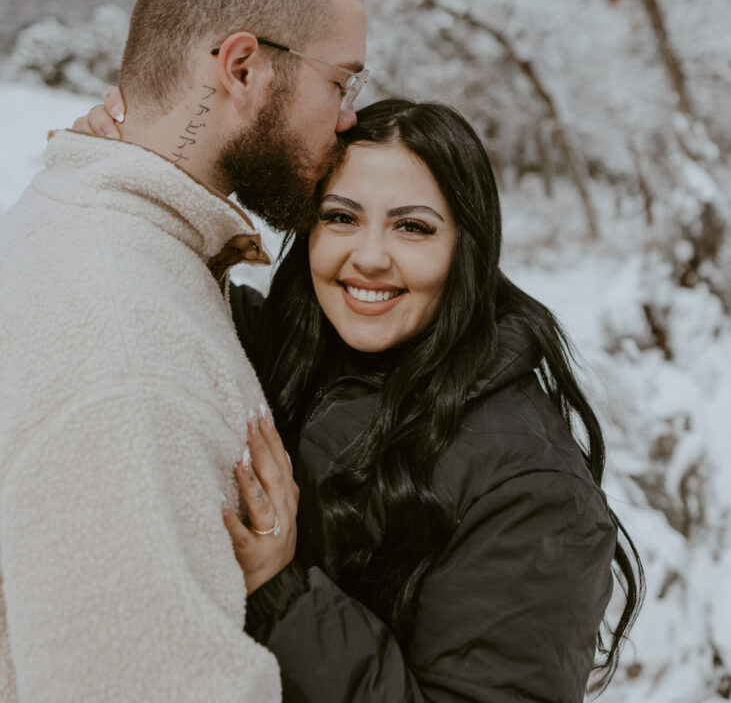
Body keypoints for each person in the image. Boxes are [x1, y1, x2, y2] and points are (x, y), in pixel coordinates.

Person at [0, 0, 368, 702]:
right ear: (242, 66)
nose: (347, 116)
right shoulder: (128, 348)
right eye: (342, 82)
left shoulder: (85, 223)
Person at [219, 99, 644, 703]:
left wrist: (281, 593)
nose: (368, 256)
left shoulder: (533, 490)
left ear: (465, 248)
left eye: (411, 226)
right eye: (341, 217)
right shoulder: (296, 350)